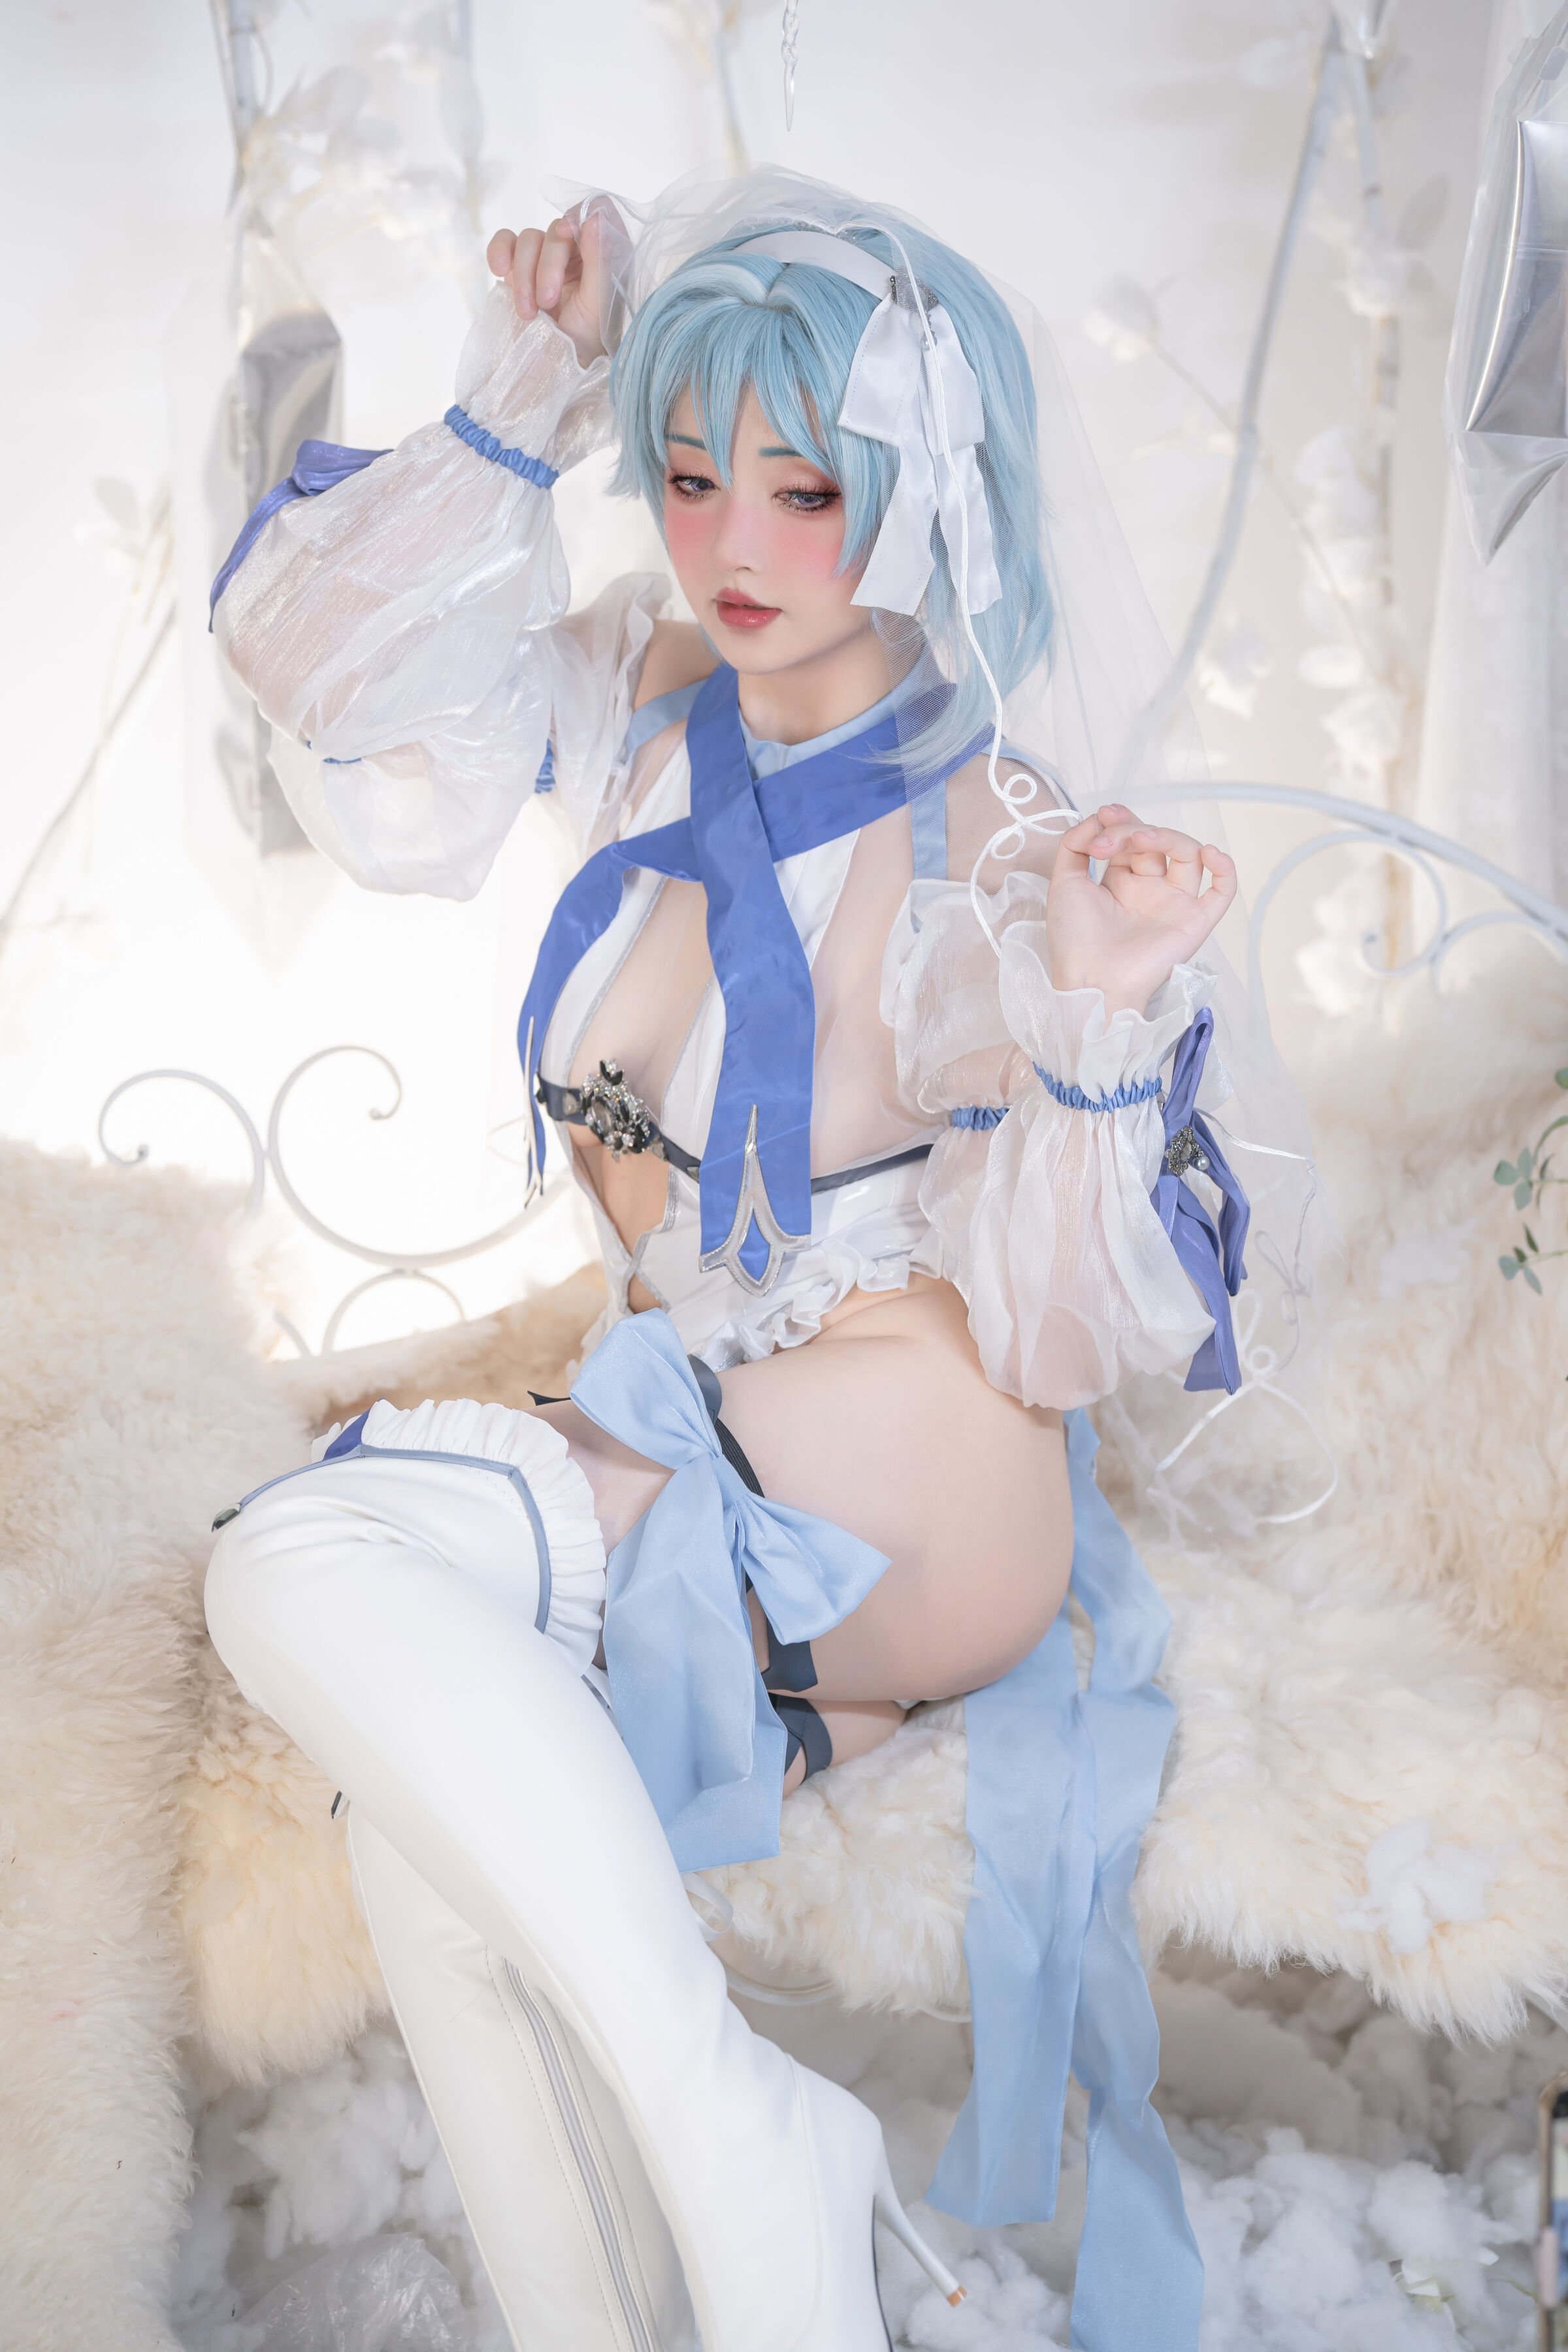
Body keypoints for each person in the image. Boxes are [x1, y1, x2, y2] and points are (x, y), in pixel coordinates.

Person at [203, 169, 1259, 2352]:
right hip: (709, 1430)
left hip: (926, 1480)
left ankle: (752, 2140)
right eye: (688, 478)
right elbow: (330, 691)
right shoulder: (641, 695)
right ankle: (704, 2257)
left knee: (297, 1557)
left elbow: (1068, 1333)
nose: (733, 544)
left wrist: (1098, 1006)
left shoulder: (1004, 837)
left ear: (929, 497)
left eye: (806, 488)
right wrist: (526, 390)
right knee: (430, 1850)